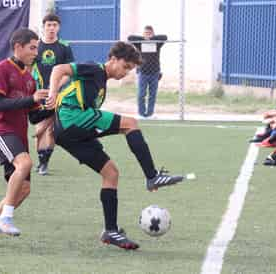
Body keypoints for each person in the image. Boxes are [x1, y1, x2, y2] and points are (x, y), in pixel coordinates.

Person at [46, 41, 185, 250]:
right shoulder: (94, 69)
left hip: (68, 132)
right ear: (113, 59)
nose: (126, 73)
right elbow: (59, 69)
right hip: (72, 119)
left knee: (111, 173)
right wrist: (52, 93)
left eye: (130, 70)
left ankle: (110, 231)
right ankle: (152, 176)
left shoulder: (101, 82)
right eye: (126, 67)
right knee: (130, 123)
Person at [0, 28, 49, 247]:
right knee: (25, 163)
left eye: (37, 48)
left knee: (23, 189)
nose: (36, 52)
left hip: (18, 134)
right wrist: (32, 98)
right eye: (32, 48)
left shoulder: (29, 79)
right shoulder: (1, 69)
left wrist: (52, 108)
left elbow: (33, 117)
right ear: (18, 47)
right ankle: (5, 218)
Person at [32, 13, 74, 175]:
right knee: (40, 129)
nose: (51, 28)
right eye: (48, 25)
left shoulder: (64, 46)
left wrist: (54, 89)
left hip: (58, 94)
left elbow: (69, 72)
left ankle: (44, 164)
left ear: (59, 27)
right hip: (39, 94)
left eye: (54, 25)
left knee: (50, 129)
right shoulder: (36, 45)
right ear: (44, 27)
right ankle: (40, 160)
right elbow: (29, 69)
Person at [128, 26, 167, 118]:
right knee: (141, 94)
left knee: (152, 95)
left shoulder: (157, 43)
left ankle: (149, 114)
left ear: (153, 34)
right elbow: (130, 38)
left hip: (154, 72)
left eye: (150, 33)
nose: (148, 35)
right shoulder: (140, 43)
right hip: (143, 72)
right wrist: (144, 39)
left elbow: (165, 37)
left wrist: (151, 39)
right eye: (146, 33)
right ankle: (142, 114)